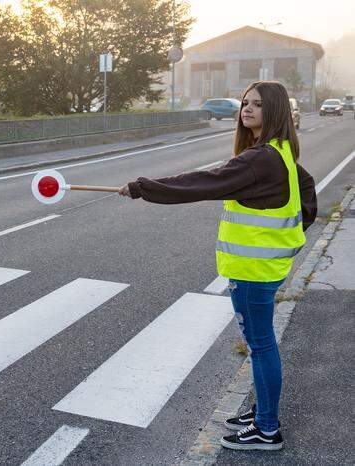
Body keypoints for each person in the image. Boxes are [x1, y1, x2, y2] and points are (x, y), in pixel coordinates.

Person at [118, 81, 317, 451]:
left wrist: (144, 187)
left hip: (253, 271)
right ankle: (262, 413)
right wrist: (295, 232)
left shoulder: (260, 160)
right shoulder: (279, 151)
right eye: (245, 102)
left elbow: (203, 182)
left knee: (260, 345)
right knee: (260, 344)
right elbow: (306, 189)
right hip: (264, 267)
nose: (247, 109)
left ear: (273, 111)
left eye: (257, 104)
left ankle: (267, 428)